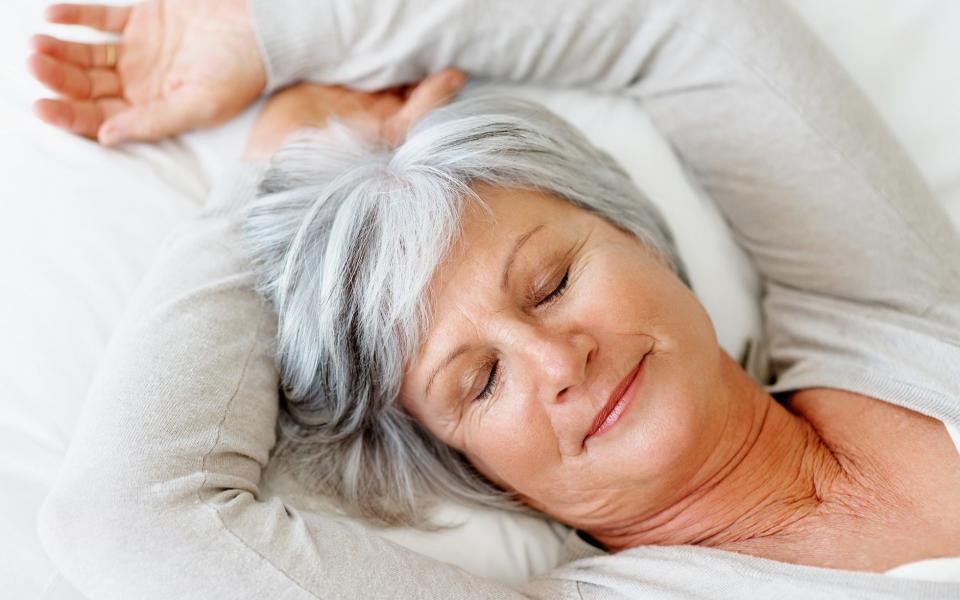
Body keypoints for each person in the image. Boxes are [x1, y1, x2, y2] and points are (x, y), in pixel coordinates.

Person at [31, 0, 960, 598]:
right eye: (478, 384)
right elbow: (126, 515)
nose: (559, 363)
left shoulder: (883, 312)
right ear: (475, 468)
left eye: (553, 283)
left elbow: (674, 18)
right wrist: (269, 174)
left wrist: (273, 34)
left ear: (638, 235)